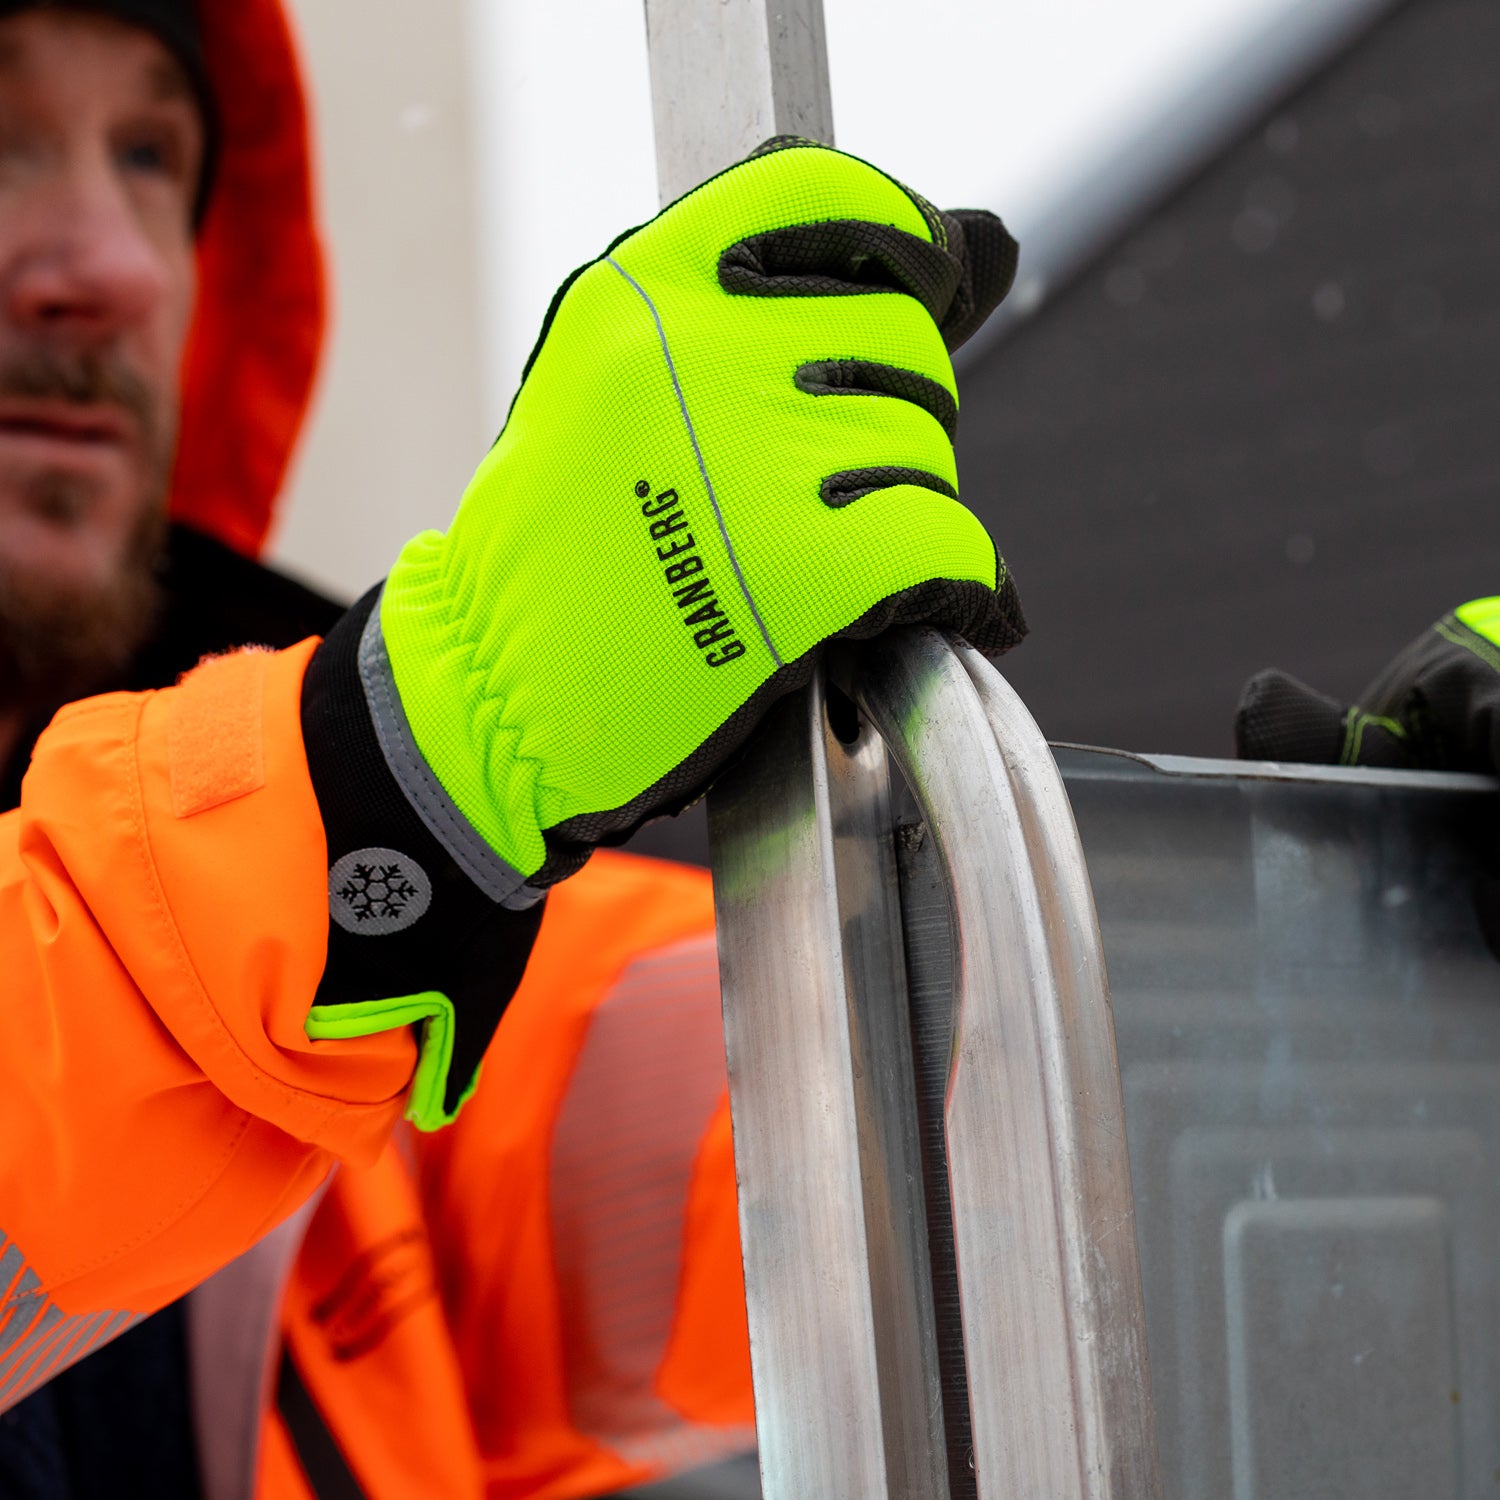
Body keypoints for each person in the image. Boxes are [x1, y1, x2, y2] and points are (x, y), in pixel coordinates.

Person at [0, 0, 1025, 1495]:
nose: (113, 264)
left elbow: (836, 1126)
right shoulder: (304, 860)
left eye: (153, 153)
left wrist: (1322, 970)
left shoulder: (355, 974)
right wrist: (382, 785)